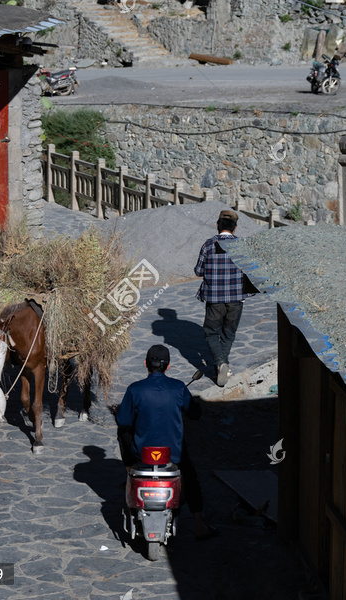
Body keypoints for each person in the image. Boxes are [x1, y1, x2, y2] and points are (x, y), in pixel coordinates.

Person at [115, 344, 217, 541]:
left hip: (141, 455)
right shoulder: (178, 387)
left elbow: (123, 421)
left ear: (145, 364)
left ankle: (129, 471)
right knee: (191, 478)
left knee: (123, 432)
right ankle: (199, 524)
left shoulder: (135, 389)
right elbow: (195, 413)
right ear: (168, 366)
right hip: (174, 454)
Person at [194, 209, 253, 387]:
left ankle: (220, 364)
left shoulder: (208, 244)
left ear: (218, 225)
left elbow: (198, 271)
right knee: (229, 334)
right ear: (234, 228)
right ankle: (222, 365)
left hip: (214, 299)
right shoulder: (242, 246)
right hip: (236, 299)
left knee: (211, 333)